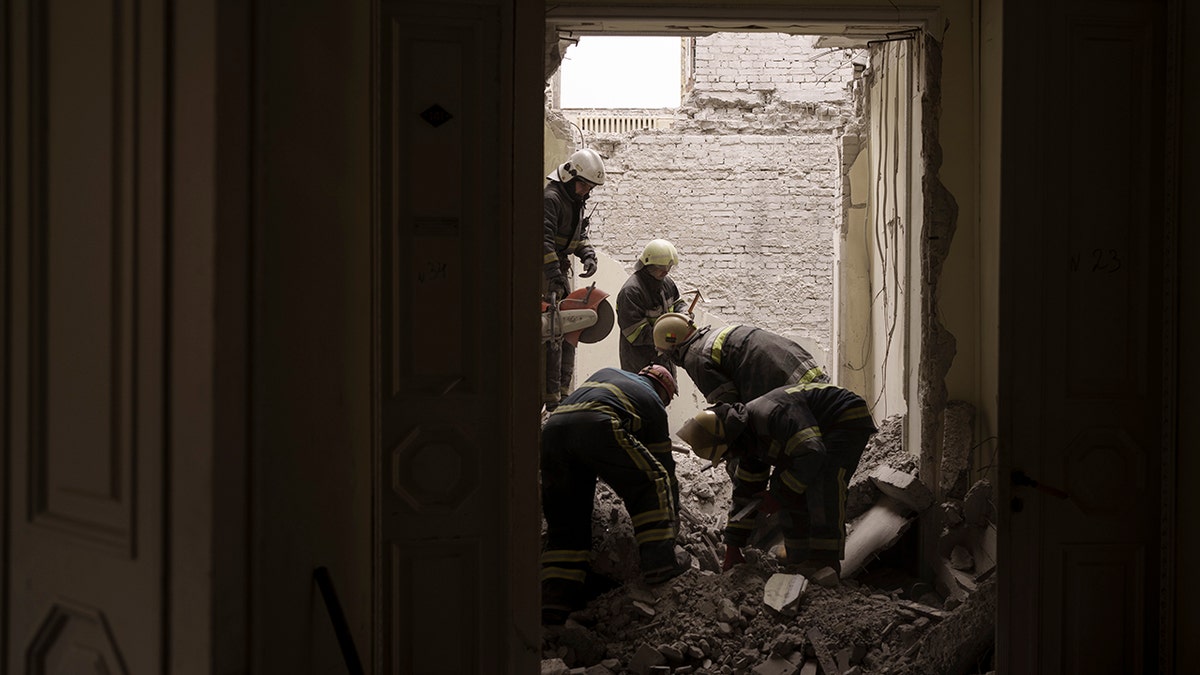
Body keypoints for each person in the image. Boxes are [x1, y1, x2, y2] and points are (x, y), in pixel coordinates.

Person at [677, 381, 877, 581]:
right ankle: (798, 558)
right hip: (814, 438)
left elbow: (813, 452)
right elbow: (745, 494)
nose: (728, 458)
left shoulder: (772, 415)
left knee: (822, 483)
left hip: (843, 418)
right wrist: (733, 547)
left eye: (726, 454)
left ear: (730, 442)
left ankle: (824, 563)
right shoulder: (747, 441)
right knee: (788, 483)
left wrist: (779, 494)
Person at [539, 364, 689, 624]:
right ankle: (660, 566)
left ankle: (557, 596)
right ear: (664, 391)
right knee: (653, 481)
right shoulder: (652, 401)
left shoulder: (608, 375)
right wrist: (672, 514)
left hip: (553, 431)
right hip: (596, 424)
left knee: (568, 516)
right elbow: (663, 466)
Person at [542, 148, 605, 410]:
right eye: (583, 185)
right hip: (545, 273)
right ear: (569, 175)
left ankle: (563, 396)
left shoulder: (576, 202)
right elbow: (542, 240)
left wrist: (588, 255)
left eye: (590, 188)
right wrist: (554, 274)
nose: (586, 192)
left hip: (559, 270)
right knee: (551, 333)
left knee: (567, 331)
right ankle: (549, 398)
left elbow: (578, 238)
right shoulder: (552, 198)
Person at [652, 312, 830, 404]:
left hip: (789, 389)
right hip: (805, 370)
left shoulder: (695, 358)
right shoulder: (711, 337)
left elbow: (732, 408)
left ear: (673, 347)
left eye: (666, 353)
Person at [616, 239, 687, 375]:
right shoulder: (631, 292)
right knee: (643, 397)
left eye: (669, 268)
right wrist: (670, 334)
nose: (666, 272)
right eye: (662, 268)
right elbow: (635, 334)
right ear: (648, 265)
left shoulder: (666, 283)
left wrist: (684, 315)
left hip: (664, 361)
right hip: (640, 367)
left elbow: (678, 303)